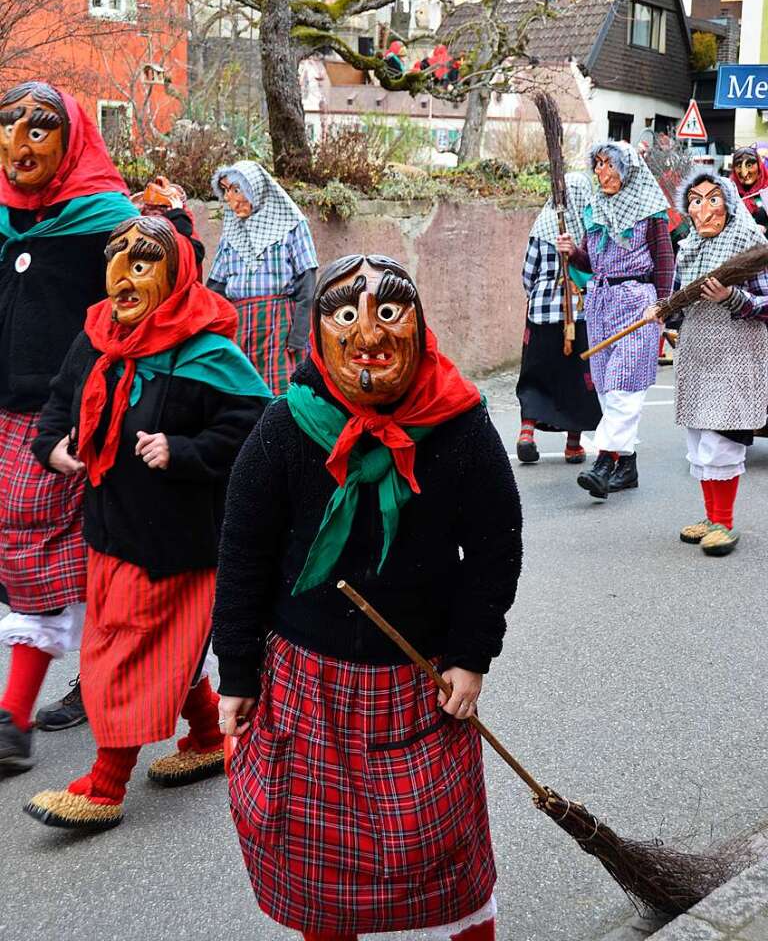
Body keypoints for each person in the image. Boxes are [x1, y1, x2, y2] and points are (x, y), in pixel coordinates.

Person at [213, 254, 523, 940]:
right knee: (316, 866)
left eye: (387, 313)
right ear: (320, 332)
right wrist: (236, 672)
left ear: (417, 324)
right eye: (346, 316)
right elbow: (241, 554)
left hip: (422, 679)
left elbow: (496, 550)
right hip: (305, 681)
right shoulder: (286, 426)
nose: (368, 336)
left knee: (444, 848)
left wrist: (472, 657)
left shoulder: (461, 426)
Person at [21, 215, 270, 829]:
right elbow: (59, 400)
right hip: (108, 531)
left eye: (142, 264)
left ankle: (106, 783)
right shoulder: (98, 335)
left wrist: (183, 451)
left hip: (175, 540)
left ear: (177, 273)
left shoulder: (209, 351)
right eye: (117, 261)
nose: (124, 278)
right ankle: (210, 734)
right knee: (158, 650)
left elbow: (254, 429)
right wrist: (53, 447)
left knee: (125, 653)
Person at [0, 81, 137, 767]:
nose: (21, 140)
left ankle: (10, 720)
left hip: (63, 416)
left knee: (39, 547)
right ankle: (169, 691)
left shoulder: (105, 219)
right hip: (3, 409)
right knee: (93, 563)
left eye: (40, 126)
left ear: (72, 138)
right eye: (9, 123)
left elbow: (137, 304)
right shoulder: (1, 216)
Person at [657, 172, 768, 556]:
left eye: (713, 199)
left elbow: (766, 304)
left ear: (730, 203)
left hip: (736, 352)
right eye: (696, 200)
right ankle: (710, 516)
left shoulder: (751, 243)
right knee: (701, 438)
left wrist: (731, 297)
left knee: (722, 439)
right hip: (697, 351)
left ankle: (725, 521)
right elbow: (677, 299)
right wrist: (663, 312)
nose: (704, 209)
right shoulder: (687, 247)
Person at [557, 142, 674, 499]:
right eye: (598, 164)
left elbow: (665, 260)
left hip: (637, 302)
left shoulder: (650, 211)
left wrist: (664, 305)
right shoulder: (596, 210)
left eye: (608, 164)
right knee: (608, 387)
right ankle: (627, 466)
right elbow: (591, 262)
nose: (600, 171)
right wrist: (572, 253)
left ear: (628, 170)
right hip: (601, 301)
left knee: (625, 384)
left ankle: (605, 460)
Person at [207, 161, 318, 395]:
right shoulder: (231, 234)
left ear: (255, 189)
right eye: (226, 191)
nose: (230, 198)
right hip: (240, 324)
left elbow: (307, 284)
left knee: (282, 392)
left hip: (280, 325)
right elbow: (215, 287)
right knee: (241, 392)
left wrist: (298, 335)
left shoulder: (291, 226)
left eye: (236, 190)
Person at [516, 171, 601, 464]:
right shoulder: (589, 230)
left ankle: (526, 433)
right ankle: (573, 444)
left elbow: (528, 272)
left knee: (535, 373)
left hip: (541, 313)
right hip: (580, 316)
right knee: (577, 380)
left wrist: (537, 296)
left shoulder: (542, 226)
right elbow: (596, 270)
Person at [133, 174, 205, 276]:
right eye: (151, 208)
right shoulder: (139, 225)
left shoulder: (183, 223)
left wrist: (177, 216)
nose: (154, 213)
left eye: (159, 209)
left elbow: (194, 254)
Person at [729, 145, 768, 231]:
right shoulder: (729, 192)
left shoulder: (765, 191)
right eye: (739, 166)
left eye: (749, 165)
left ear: (759, 165)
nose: (745, 173)